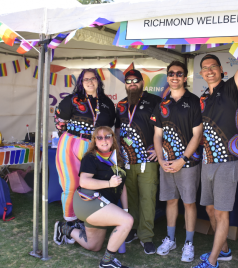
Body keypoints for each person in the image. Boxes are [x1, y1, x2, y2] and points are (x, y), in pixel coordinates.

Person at [193, 54, 238, 268]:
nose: (209, 70)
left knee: (221, 212)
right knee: (209, 210)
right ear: (201, 73)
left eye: (213, 66)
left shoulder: (229, 89)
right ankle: (224, 250)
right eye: (205, 68)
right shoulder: (201, 99)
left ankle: (212, 260)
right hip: (207, 161)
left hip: (227, 161)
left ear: (221, 69)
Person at [53, 126, 133, 268]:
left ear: (113, 138)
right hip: (88, 201)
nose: (104, 140)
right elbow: (84, 181)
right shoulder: (91, 157)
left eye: (107, 136)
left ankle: (64, 229)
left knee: (93, 245)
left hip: (102, 205)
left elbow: (122, 186)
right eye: (99, 137)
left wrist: (125, 210)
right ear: (94, 141)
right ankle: (107, 262)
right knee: (127, 221)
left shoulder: (117, 158)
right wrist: (109, 183)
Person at [151, 61, 203, 263]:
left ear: (185, 77)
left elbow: (197, 135)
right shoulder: (162, 104)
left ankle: (189, 243)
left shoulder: (194, 101)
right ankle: (170, 239)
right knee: (170, 200)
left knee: (189, 203)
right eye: (171, 73)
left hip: (187, 163)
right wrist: (161, 160)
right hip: (167, 163)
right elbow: (157, 136)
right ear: (167, 76)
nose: (175, 77)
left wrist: (183, 159)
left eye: (179, 74)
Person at [54, 69, 116, 237]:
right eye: (85, 79)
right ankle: (68, 223)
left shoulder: (107, 103)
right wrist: (67, 137)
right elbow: (59, 119)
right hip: (71, 143)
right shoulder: (73, 99)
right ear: (81, 82)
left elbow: (108, 127)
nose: (89, 82)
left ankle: (83, 219)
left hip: (94, 147)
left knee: (88, 184)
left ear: (98, 81)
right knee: (71, 185)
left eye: (93, 78)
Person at [115, 69, 162, 254]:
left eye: (135, 80)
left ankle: (146, 236)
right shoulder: (120, 104)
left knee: (147, 198)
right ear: (125, 84)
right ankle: (133, 230)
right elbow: (117, 130)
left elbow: (164, 127)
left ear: (142, 82)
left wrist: (160, 150)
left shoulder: (154, 101)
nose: (132, 83)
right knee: (131, 198)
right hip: (126, 161)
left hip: (147, 161)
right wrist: (118, 153)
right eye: (128, 81)